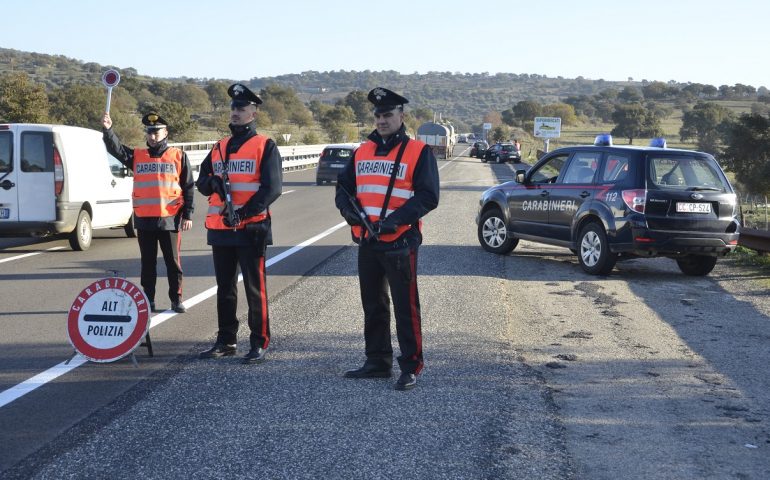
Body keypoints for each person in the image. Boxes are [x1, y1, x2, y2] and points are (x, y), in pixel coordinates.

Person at [335, 87, 440, 391]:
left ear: (401, 116)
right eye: (378, 115)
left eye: (388, 114)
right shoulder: (362, 151)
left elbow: (428, 196)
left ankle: (411, 365)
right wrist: (350, 214)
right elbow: (343, 189)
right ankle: (377, 362)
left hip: (400, 241)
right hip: (368, 241)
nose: (382, 120)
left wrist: (394, 221)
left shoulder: (418, 152)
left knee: (406, 307)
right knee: (373, 304)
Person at [196, 83, 282, 364]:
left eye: (241, 108)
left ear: (253, 113)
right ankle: (226, 340)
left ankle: (259, 341)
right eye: (233, 107)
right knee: (225, 288)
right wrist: (213, 182)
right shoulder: (219, 146)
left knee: (254, 288)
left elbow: (272, 189)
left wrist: (243, 214)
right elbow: (202, 182)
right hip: (221, 229)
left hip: (251, 228)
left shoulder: (264, 146)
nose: (235, 112)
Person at [102, 111, 194, 313]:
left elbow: (188, 186)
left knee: (173, 263)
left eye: (156, 132)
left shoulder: (178, 156)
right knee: (148, 264)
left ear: (166, 132)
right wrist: (108, 130)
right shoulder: (137, 156)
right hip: (144, 219)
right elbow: (116, 149)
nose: (152, 136)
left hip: (170, 219)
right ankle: (148, 299)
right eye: (149, 132)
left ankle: (176, 299)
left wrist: (188, 214)